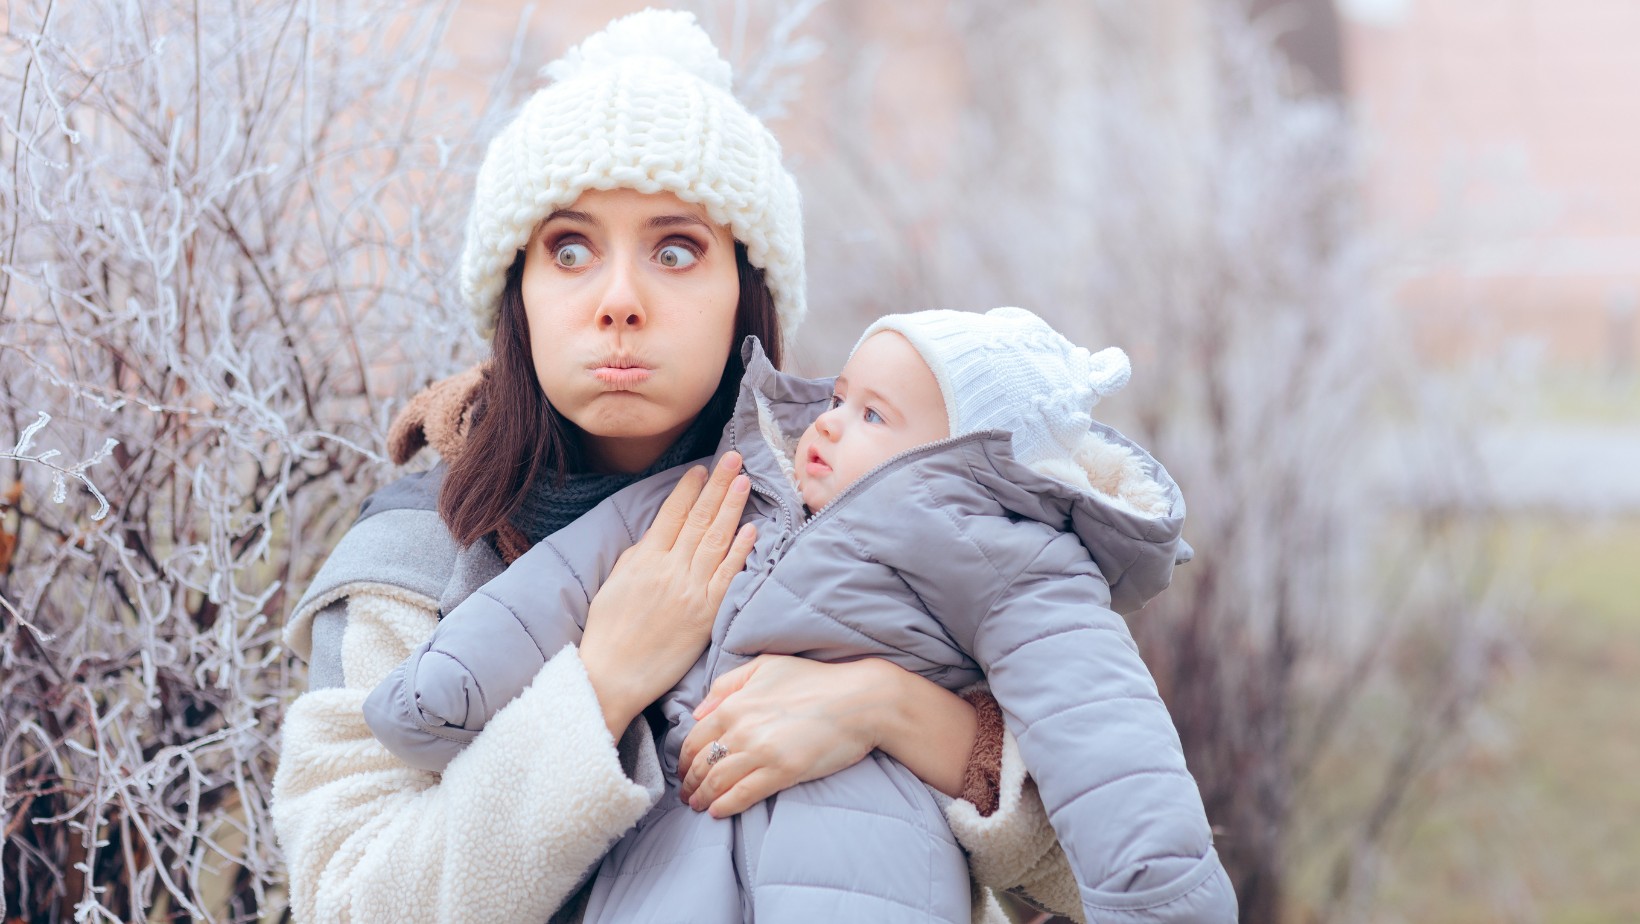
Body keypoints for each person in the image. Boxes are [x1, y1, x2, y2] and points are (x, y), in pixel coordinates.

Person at [271, 11, 1084, 924]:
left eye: (676, 249)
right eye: (569, 249)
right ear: (519, 294)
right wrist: (603, 681)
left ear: (746, 287)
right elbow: (346, 898)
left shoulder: (884, 501)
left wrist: (894, 710)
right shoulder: (421, 554)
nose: (620, 300)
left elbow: (1115, 855)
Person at [367, 307, 1237, 922]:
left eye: (871, 415)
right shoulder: (741, 485)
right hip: (678, 842)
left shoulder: (1003, 553)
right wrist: (449, 689)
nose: (825, 424)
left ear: (961, 456)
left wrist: (1160, 895)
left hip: (862, 855)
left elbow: (1102, 727)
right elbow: (562, 576)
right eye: (836, 397)